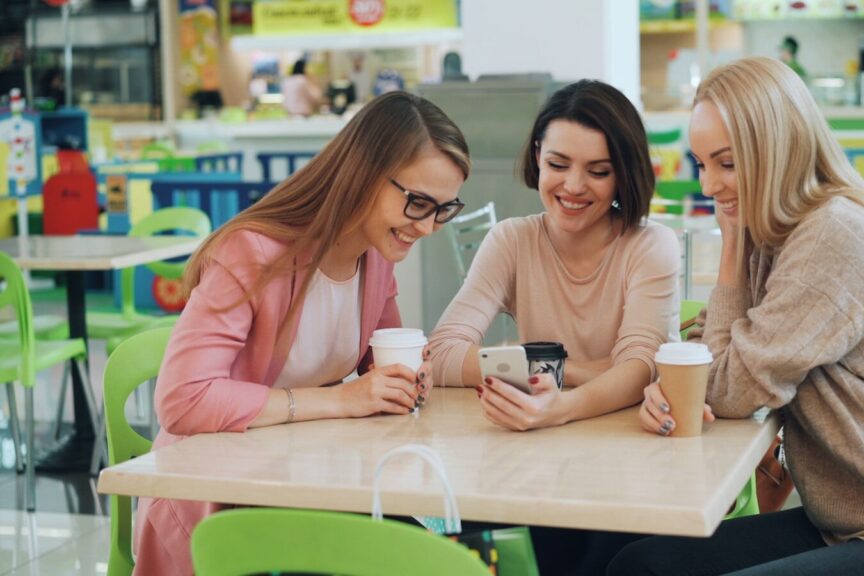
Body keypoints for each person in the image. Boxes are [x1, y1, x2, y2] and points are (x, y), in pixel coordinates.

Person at [610, 56, 864, 576]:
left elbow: (728, 388)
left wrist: (730, 243)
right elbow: (715, 345)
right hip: (852, 519)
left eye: (727, 164)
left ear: (777, 150)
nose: (709, 186)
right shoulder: (782, 231)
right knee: (643, 565)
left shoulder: (833, 235)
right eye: (701, 163)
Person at [132, 92, 471, 575]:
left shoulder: (375, 256)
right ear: (364, 172)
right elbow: (183, 400)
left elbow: (378, 364)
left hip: (311, 482)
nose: (428, 227)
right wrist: (341, 400)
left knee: (441, 553)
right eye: (417, 203)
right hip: (222, 503)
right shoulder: (252, 253)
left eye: (443, 209)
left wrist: (405, 380)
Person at [429, 78, 681, 576]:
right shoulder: (512, 241)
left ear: (624, 174)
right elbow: (439, 354)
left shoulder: (649, 246)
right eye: (558, 164)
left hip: (630, 470)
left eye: (598, 171)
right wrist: (585, 372)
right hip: (532, 467)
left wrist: (553, 395)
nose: (571, 186)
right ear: (538, 158)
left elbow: (639, 367)